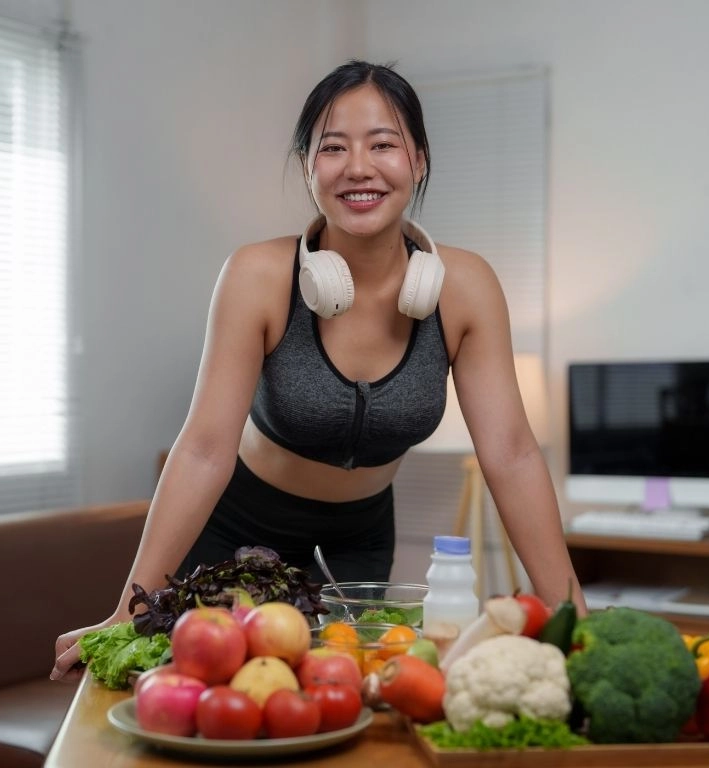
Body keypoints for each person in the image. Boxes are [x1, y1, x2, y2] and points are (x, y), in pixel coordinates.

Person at [51, 60, 586, 681]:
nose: (358, 167)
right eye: (333, 148)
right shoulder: (257, 276)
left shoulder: (467, 287)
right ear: (308, 167)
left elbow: (512, 454)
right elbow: (202, 450)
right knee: (220, 704)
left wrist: (572, 615)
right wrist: (127, 612)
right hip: (237, 531)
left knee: (341, 701)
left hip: (359, 541)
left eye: (382, 144)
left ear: (418, 160)